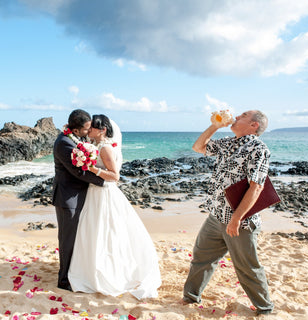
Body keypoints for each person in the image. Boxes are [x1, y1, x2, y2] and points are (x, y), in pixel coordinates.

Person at [182, 110, 274, 315]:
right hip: (216, 216)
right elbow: (198, 147)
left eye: (243, 115)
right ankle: (190, 297)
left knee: (247, 267)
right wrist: (215, 126)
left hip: (240, 222)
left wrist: (236, 218)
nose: (236, 117)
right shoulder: (227, 142)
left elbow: (256, 187)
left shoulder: (258, 148)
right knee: (201, 257)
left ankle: (265, 309)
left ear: (254, 125)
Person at [68, 114, 162, 300]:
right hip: (94, 193)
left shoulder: (105, 148)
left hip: (104, 194)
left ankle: (109, 271)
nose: (88, 130)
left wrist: (92, 168)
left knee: (106, 232)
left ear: (102, 130)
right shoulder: (93, 146)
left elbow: (115, 176)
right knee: (93, 232)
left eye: (92, 127)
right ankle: (90, 270)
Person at [53, 109, 104, 291]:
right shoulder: (63, 143)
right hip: (68, 198)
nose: (89, 131)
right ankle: (64, 280)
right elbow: (78, 171)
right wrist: (105, 181)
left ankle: (73, 272)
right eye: (86, 128)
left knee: (78, 238)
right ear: (75, 130)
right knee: (67, 240)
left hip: (80, 195)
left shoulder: (77, 138)